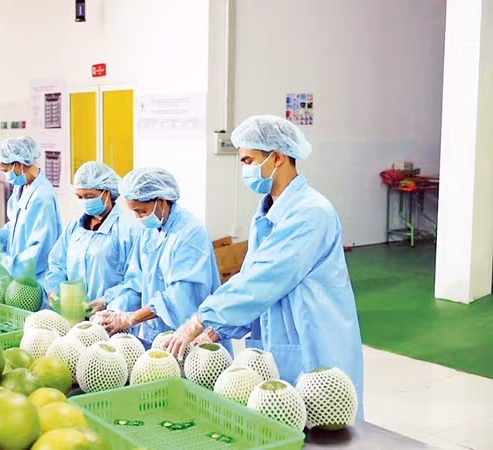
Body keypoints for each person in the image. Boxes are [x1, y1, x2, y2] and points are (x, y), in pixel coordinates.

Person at [164, 115, 364, 414]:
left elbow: (263, 280)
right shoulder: (266, 213)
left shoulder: (311, 213)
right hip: (282, 332)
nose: (245, 170)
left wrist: (202, 318)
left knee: (321, 420)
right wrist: (220, 327)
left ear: (278, 157)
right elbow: (253, 278)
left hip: (313, 333)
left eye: (248, 160)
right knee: (282, 414)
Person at [91, 168, 224, 349]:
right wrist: (115, 310)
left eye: (142, 211)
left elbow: (179, 296)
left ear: (161, 201)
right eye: (134, 212)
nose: (138, 218)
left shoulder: (191, 233)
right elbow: (135, 283)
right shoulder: (149, 231)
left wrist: (131, 318)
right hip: (157, 335)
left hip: (192, 335)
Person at [0, 137, 61, 293]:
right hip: (19, 280)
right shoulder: (22, 187)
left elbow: (38, 252)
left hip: (35, 283)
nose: (5, 176)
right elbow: (16, 227)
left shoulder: (43, 198)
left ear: (18, 165)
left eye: (5, 170)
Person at [44, 162, 141, 312]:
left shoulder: (127, 231)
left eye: (90, 196)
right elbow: (57, 264)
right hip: (73, 315)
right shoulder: (74, 226)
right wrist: (54, 289)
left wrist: (106, 301)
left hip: (110, 319)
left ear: (107, 192)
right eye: (80, 196)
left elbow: (134, 282)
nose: (85, 202)